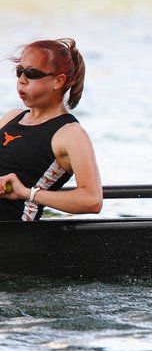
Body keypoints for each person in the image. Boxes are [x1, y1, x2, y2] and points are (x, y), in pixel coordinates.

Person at [0, 38, 102, 221]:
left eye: (31, 73)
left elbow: (92, 200)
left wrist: (26, 193)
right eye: (19, 71)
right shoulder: (11, 117)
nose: (22, 80)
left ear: (58, 81)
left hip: (15, 236)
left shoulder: (70, 134)